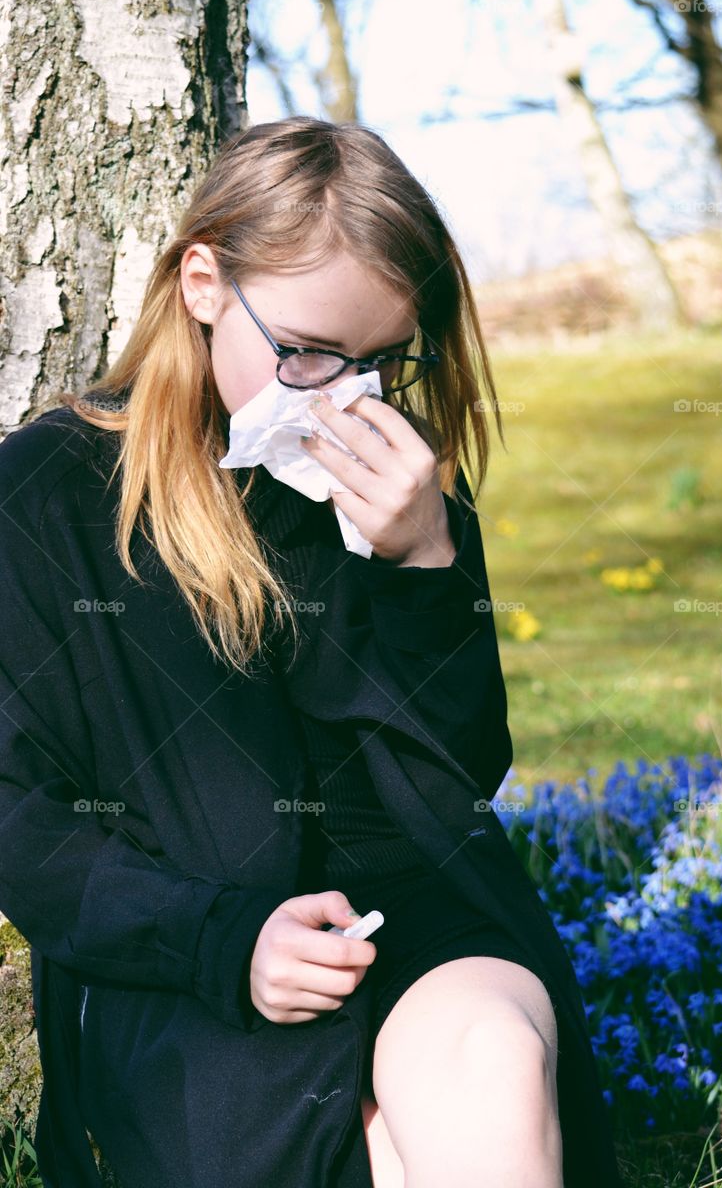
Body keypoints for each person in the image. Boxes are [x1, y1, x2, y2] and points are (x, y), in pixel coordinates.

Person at [0, 117, 623, 1187]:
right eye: (304, 351)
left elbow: (459, 772)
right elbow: (18, 820)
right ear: (202, 283)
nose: (344, 394)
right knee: (364, 1147)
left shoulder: (401, 479)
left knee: (490, 1062)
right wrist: (223, 940)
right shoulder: (45, 495)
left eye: (382, 360)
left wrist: (421, 562)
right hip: (188, 968)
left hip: (412, 915)